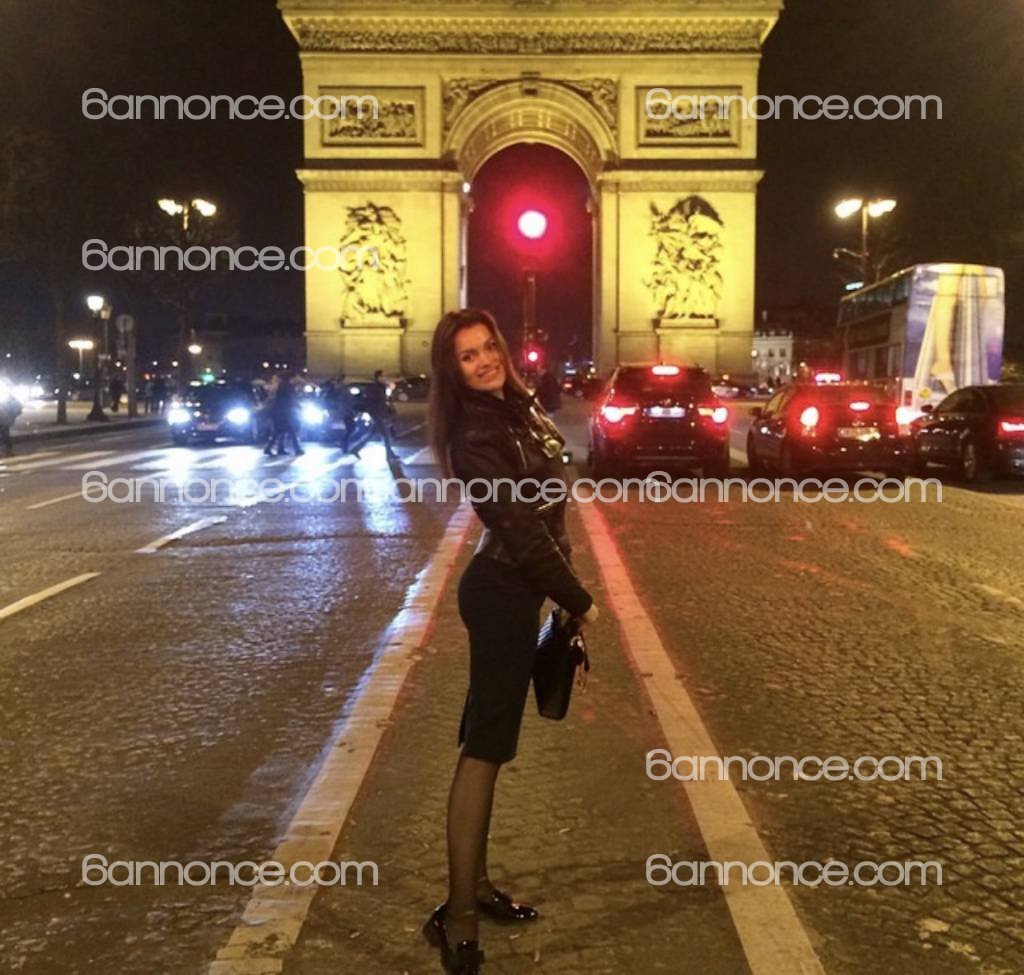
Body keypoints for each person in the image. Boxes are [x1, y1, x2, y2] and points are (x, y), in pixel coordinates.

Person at [423, 309, 600, 975]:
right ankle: (459, 917)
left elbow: (552, 514)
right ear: (452, 370)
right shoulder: (475, 433)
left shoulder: (519, 408)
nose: (483, 361)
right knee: (486, 750)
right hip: (500, 594)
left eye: (487, 347)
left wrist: (558, 586)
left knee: (488, 743)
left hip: (517, 592)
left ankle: (475, 886)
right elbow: (523, 532)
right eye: (466, 356)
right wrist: (576, 597)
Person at [264, 372, 304, 456]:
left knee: (279, 431)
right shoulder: (288, 386)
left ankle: (276, 448)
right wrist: (299, 406)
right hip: (285, 412)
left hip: (280, 411)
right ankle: (297, 449)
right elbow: (291, 399)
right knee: (291, 430)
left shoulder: (283, 385)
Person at [364, 369, 398, 461]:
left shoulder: (382, 388)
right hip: (377, 415)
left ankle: (355, 449)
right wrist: (373, 415)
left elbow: (385, 401)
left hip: (382, 414)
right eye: (383, 376)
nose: (385, 378)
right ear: (378, 377)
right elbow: (371, 403)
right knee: (386, 435)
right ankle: (389, 455)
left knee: (371, 435)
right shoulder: (374, 388)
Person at [0, 386, 22, 457]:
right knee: (5, 436)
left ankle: (8, 451)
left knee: (5, 436)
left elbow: (18, 411)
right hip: (5, 421)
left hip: (3, 421)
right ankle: (8, 451)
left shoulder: (8, 401)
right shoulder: (11, 400)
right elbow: (18, 411)